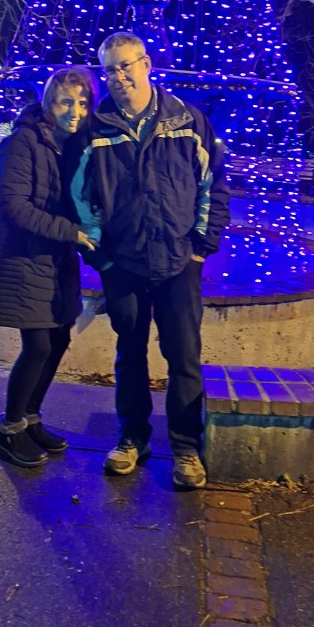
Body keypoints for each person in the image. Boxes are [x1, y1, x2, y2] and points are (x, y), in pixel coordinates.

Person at [71, 32, 230, 489]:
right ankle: (131, 438)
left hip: (179, 263)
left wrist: (199, 249)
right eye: (110, 70)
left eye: (126, 65)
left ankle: (185, 446)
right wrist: (102, 258)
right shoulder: (96, 129)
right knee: (130, 355)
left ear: (146, 64)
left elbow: (213, 186)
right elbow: (81, 199)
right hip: (124, 266)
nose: (119, 76)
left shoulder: (188, 120)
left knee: (184, 357)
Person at [0, 67, 98, 468]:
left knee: (58, 341)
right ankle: (8, 430)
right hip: (26, 260)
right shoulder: (23, 142)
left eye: (83, 103)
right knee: (37, 346)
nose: (75, 111)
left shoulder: (67, 146)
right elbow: (14, 207)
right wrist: (71, 232)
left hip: (57, 262)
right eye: (66, 102)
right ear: (49, 103)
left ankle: (30, 419)